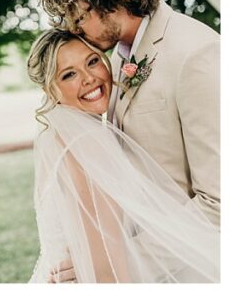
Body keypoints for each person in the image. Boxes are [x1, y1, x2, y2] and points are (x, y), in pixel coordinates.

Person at [25, 30, 218, 283]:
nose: (89, 78)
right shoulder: (84, 141)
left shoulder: (58, 133)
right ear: (50, 90)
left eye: (92, 61)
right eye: (69, 74)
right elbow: (104, 260)